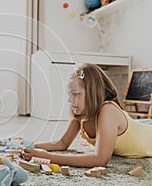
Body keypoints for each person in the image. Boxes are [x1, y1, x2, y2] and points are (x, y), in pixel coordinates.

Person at [20, 63, 152, 167]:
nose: (70, 100)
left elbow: (100, 160)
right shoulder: (81, 114)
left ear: (93, 93)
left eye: (76, 94)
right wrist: (32, 147)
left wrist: (49, 157)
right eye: (69, 94)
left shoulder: (108, 111)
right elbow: (62, 143)